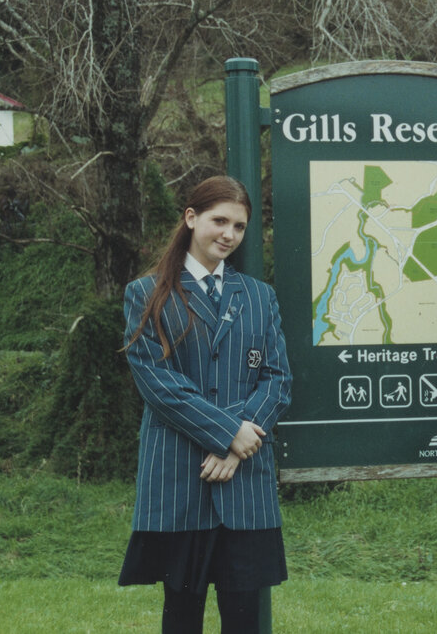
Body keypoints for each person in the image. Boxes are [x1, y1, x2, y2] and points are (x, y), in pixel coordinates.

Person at [118, 175, 292, 634]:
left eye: (239, 227)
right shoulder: (146, 293)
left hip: (245, 484)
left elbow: (278, 379)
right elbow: (159, 384)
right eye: (220, 221)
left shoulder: (259, 296)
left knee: (245, 619)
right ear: (191, 218)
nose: (229, 235)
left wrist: (238, 444)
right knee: (181, 616)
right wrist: (225, 433)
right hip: (180, 478)